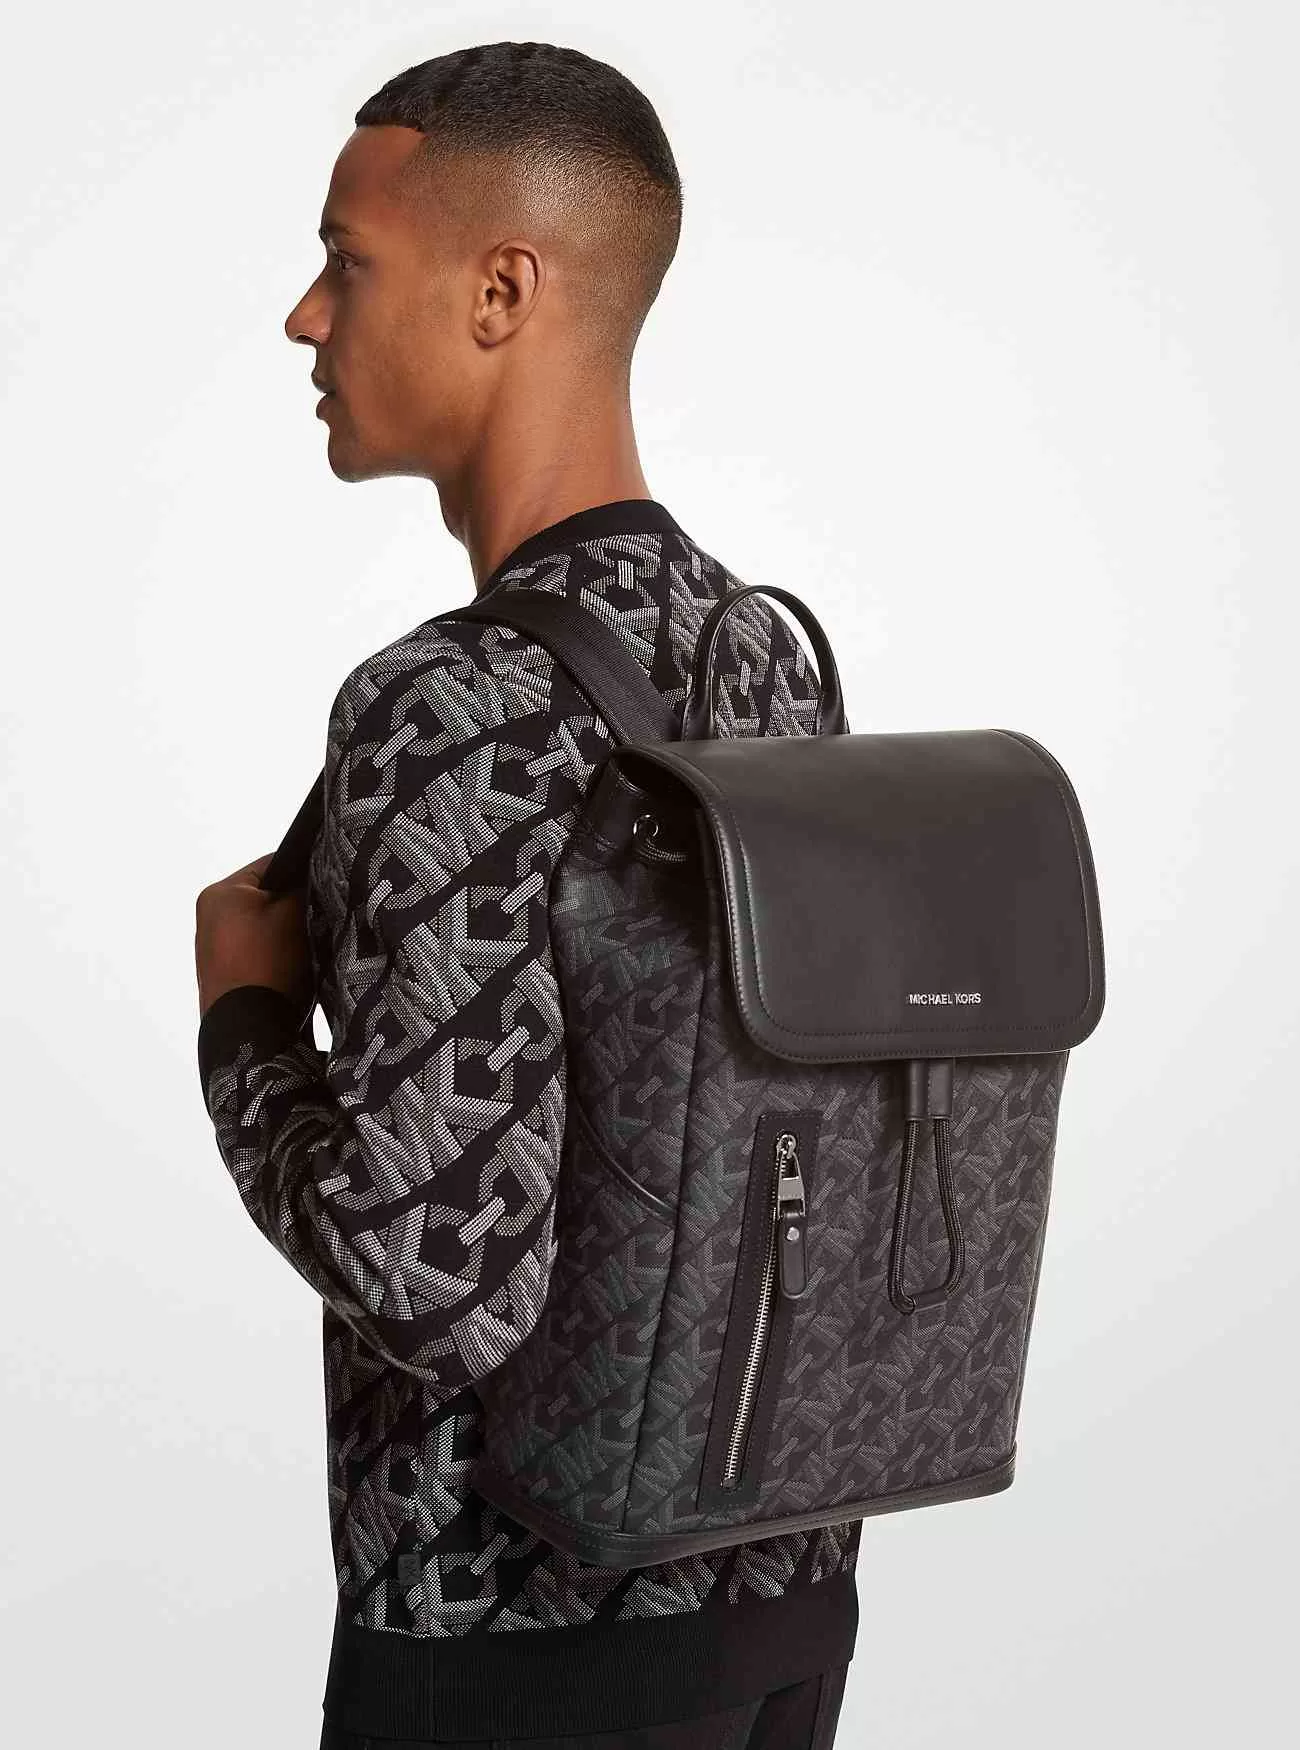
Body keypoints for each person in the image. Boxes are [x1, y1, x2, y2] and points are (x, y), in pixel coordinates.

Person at [194, 41, 858, 1750]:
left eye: (346, 263)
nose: (305, 318)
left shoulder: (445, 706)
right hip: (780, 1597)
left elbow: (431, 1280)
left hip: (508, 1650)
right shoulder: (768, 659)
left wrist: (244, 1018)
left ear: (502, 290)